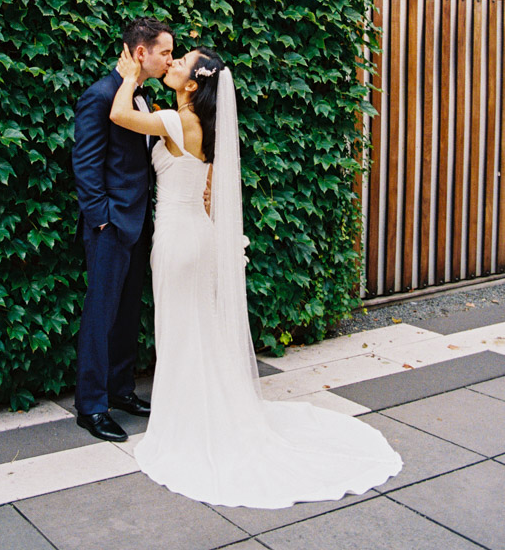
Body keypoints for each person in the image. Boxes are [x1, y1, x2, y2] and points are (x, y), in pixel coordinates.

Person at [108, 43, 403, 509]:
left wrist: (128, 76)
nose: (173, 62)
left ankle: (186, 424)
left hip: (178, 238)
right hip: (197, 235)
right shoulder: (203, 126)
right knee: (197, 327)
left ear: (191, 85)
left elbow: (121, 115)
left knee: (181, 330)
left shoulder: (181, 121)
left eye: (180, 62)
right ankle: (206, 411)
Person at [72, 18, 174, 442]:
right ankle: (91, 407)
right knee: (101, 315)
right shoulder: (98, 97)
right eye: (164, 52)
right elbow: (86, 165)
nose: (170, 59)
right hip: (110, 225)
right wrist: (102, 218)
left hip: (139, 224)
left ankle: (121, 390)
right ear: (140, 54)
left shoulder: (144, 96)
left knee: (128, 312)